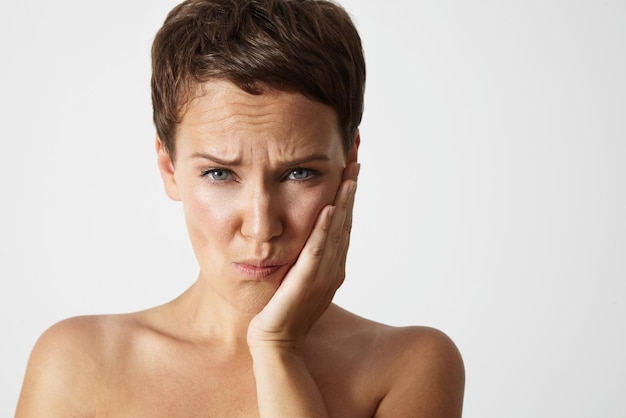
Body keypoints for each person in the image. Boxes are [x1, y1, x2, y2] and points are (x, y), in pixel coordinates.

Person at [15, 0, 465, 416]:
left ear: (349, 162)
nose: (261, 226)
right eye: (219, 174)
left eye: (299, 173)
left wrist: (278, 349)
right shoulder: (78, 364)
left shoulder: (409, 366)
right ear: (169, 168)